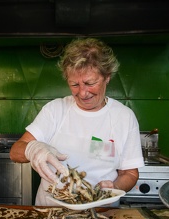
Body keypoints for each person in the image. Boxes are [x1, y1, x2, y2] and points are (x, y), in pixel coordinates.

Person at [10, 38, 144, 206]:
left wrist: (114, 186)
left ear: (107, 77)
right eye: (74, 84)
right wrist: (32, 149)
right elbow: (15, 151)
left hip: (101, 213)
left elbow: (130, 174)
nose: (82, 93)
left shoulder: (124, 117)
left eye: (90, 83)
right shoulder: (55, 110)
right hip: (50, 213)